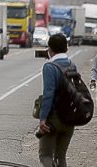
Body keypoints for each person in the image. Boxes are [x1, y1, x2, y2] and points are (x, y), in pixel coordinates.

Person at [38, 34, 75, 166]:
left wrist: (43, 119)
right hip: (70, 118)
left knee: (45, 155)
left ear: (50, 49)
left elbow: (49, 94)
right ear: (66, 49)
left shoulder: (50, 67)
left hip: (54, 119)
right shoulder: (72, 64)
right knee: (61, 157)